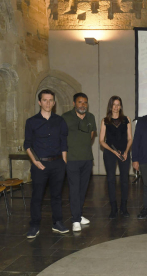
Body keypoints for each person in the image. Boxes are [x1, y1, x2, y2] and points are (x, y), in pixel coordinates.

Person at [24, 89, 69, 238]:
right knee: (37, 196)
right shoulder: (31, 122)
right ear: (39, 102)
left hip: (57, 164)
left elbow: (63, 143)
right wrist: (36, 162)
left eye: (50, 100)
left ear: (54, 103)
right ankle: (34, 225)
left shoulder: (60, 121)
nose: (48, 103)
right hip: (40, 165)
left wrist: (64, 162)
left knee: (56, 196)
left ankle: (57, 223)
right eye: (45, 100)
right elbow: (27, 145)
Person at [62, 93, 97, 232]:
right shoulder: (65, 117)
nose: (83, 105)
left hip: (87, 159)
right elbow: (61, 137)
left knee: (83, 189)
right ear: (74, 103)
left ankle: (79, 214)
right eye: (80, 102)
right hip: (71, 159)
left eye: (85, 102)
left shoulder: (91, 117)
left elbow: (92, 134)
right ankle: (75, 219)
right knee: (74, 189)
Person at [99, 96, 133, 219]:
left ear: (121, 106)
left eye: (118, 104)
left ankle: (124, 207)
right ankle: (113, 208)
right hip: (110, 153)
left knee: (124, 180)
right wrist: (113, 151)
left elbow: (130, 138)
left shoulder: (126, 119)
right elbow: (101, 141)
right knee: (111, 179)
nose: (116, 107)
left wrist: (126, 151)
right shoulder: (105, 120)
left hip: (124, 152)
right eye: (114, 104)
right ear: (110, 106)